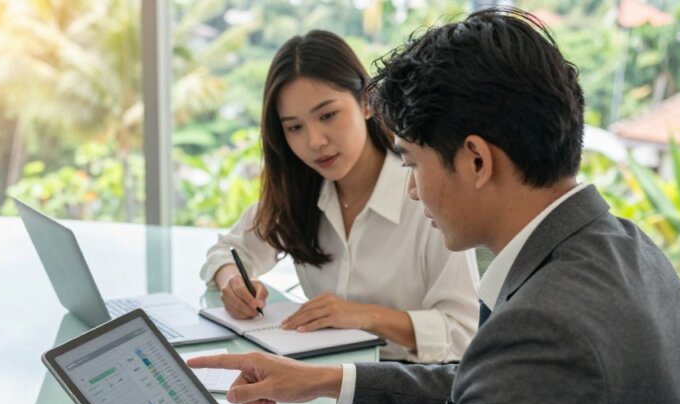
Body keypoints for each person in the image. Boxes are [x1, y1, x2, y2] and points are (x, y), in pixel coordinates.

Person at [98, 8, 680, 404]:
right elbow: (494, 388)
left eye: (414, 162)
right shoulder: (622, 247)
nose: (412, 188)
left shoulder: (553, 325)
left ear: (476, 160)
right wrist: (326, 380)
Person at [199, 29, 479, 364]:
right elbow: (226, 252)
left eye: (327, 115)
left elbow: (463, 334)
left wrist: (363, 316)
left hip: (414, 397)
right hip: (324, 385)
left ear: (366, 103)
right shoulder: (302, 191)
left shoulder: (424, 195)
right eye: (294, 127)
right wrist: (233, 282)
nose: (315, 141)